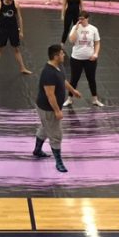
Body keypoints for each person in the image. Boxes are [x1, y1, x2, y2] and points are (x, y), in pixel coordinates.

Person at [32, 44, 80, 173]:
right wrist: (57, 111)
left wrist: (73, 91)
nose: (64, 55)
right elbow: (50, 94)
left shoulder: (59, 67)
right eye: (62, 53)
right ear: (56, 56)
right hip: (48, 109)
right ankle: (59, 162)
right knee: (56, 135)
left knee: (45, 127)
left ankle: (37, 150)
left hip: (50, 108)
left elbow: (63, 80)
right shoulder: (48, 73)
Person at [0, 0, 32, 75]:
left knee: (16, 49)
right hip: (3, 29)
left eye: (11, 0)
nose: (10, 2)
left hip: (13, 29)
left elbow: (19, 18)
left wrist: (21, 31)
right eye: (8, 0)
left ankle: (23, 68)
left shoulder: (16, 4)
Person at [66, 11, 104, 107]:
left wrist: (95, 54)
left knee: (91, 79)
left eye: (82, 19)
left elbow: (97, 43)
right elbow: (71, 40)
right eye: (79, 19)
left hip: (90, 59)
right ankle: (69, 99)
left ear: (87, 18)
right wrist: (76, 28)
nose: (81, 21)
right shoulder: (75, 27)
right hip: (76, 58)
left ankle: (95, 99)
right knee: (74, 79)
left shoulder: (93, 29)